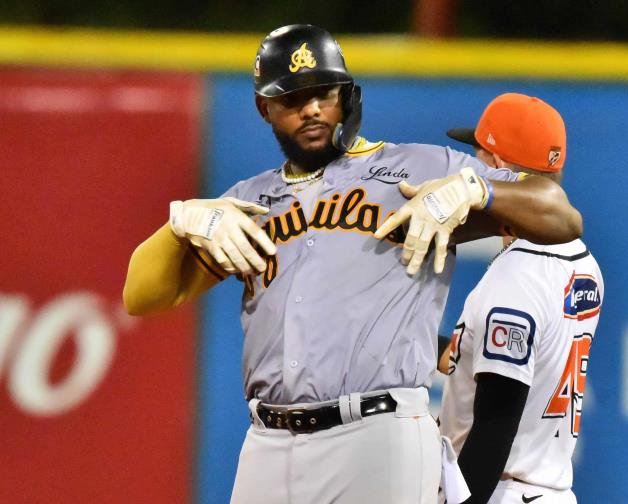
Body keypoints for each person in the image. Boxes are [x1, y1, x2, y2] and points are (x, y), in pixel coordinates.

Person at [122, 24, 583, 504]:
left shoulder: (420, 169)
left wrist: (476, 188)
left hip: (376, 433)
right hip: (267, 440)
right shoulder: (249, 204)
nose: (312, 108)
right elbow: (142, 296)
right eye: (293, 98)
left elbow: (561, 215)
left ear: (347, 95)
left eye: (324, 92)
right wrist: (178, 224)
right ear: (265, 108)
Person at [437, 93, 604, 504]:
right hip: (545, 489)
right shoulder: (581, 261)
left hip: (499, 490)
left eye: (476, 159)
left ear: (496, 168)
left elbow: (495, 424)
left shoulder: (517, 278)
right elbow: (496, 366)